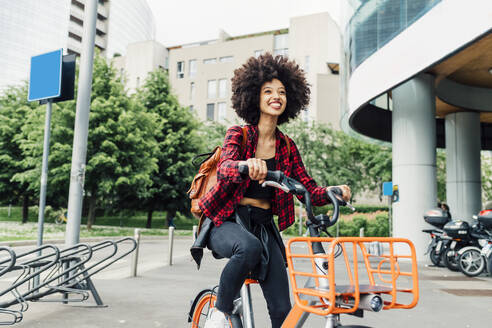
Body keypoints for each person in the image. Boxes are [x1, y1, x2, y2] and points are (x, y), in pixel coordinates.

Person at [198, 53, 351, 328]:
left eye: (281, 91)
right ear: (253, 96)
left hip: (265, 227)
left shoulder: (287, 146)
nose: (275, 96)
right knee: (248, 247)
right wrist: (246, 165)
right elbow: (225, 168)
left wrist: (332, 191)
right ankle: (219, 314)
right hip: (227, 220)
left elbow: (307, 189)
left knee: (283, 311)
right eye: (268, 91)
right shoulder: (239, 134)